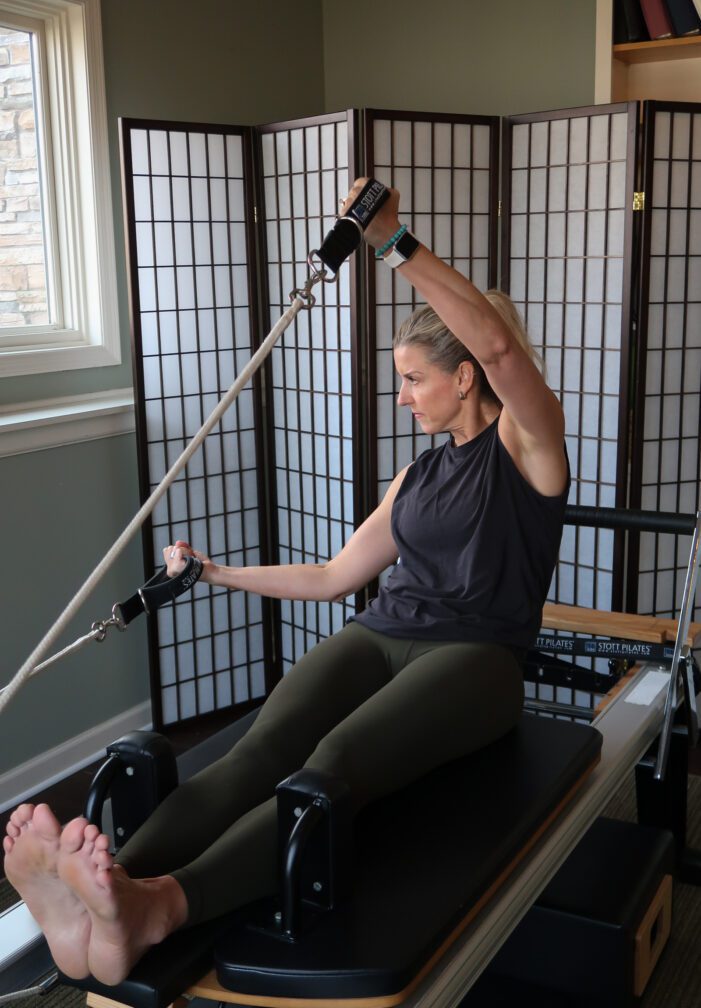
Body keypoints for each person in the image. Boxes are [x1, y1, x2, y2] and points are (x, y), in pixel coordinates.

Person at [3, 179, 569, 988]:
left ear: (467, 377)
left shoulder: (528, 450)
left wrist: (394, 243)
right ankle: (103, 888)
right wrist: (215, 573)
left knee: (332, 761)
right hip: (384, 634)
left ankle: (161, 904)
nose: (401, 397)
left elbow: (506, 349)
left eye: (412, 379)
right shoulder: (413, 478)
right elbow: (333, 574)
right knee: (262, 744)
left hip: (478, 657)